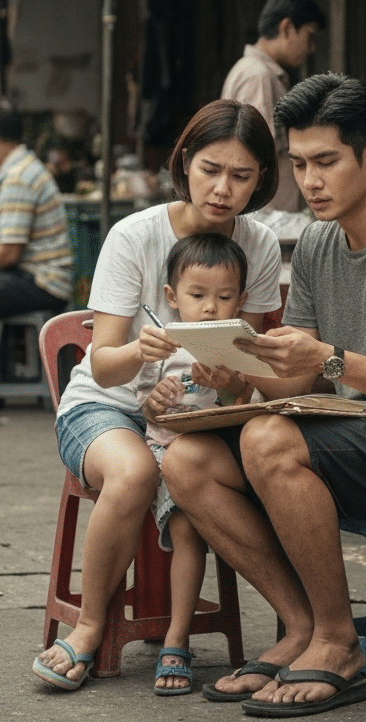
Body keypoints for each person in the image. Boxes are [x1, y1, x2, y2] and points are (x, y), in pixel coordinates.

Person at [161, 72, 366, 717]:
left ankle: (339, 642)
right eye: (298, 165)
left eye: (325, 162)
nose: (309, 182)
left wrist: (333, 359)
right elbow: (300, 378)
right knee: (187, 460)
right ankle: (301, 627)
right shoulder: (318, 242)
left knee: (268, 439)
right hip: (359, 428)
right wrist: (236, 371)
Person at [32, 99, 286, 692]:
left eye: (242, 176)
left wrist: (231, 377)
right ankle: (92, 628)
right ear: (185, 163)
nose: (223, 189)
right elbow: (104, 362)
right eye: (210, 169)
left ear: (262, 181)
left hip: (201, 414)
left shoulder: (261, 245)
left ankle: (298, 628)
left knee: (265, 464)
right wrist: (144, 351)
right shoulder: (133, 236)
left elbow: (249, 368)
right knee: (133, 472)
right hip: (107, 406)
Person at [135, 232, 253, 696]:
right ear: (171, 297)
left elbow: (244, 403)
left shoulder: (238, 345)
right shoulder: (163, 346)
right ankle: (176, 640)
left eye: (224, 297)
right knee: (186, 530)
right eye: (197, 296)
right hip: (167, 452)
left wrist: (229, 386)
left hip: (218, 455)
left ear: (240, 299)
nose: (210, 308)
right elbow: (146, 410)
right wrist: (157, 401)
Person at [221, 0, 327, 212]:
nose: (312, 47)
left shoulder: (257, 72)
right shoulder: (258, 76)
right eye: (310, 36)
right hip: (267, 215)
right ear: (287, 28)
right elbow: (253, 153)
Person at [0, 101, 73, 353]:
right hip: (33, 276)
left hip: (44, 281)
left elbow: (8, 254)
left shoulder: (18, 177)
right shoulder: (22, 168)